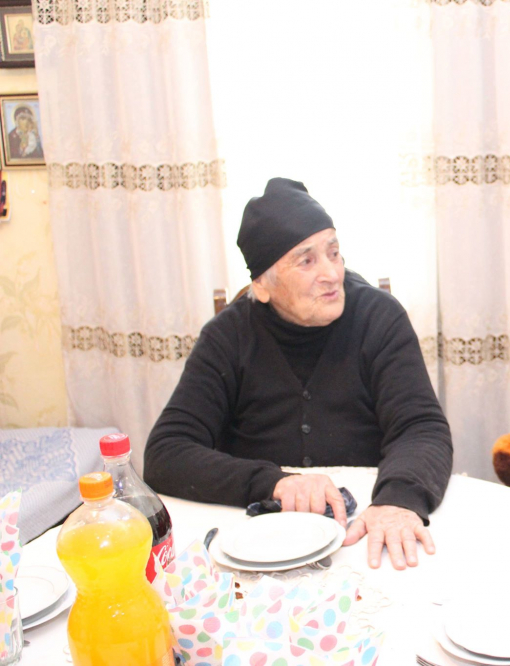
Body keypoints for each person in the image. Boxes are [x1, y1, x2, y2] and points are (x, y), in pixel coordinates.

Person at [144, 177, 453, 570]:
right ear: (262, 286)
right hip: (259, 540)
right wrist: (274, 481)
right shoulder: (228, 337)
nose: (332, 274)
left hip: (363, 527)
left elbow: (421, 427)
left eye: (334, 253)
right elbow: (166, 453)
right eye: (307, 261)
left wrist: (398, 499)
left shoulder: (380, 318)